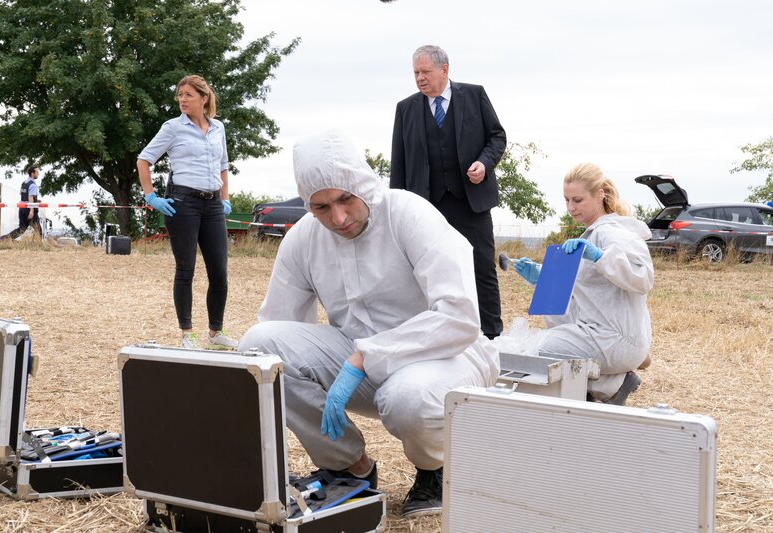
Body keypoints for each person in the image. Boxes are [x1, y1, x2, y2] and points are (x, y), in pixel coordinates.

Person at [239, 129, 499, 517]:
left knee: (407, 398)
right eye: (321, 207)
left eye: (345, 199)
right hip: (358, 359)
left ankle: (434, 468)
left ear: (363, 184)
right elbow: (279, 327)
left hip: (447, 355)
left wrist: (366, 357)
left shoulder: (407, 213)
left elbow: (458, 317)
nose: (338, 218)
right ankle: (348, 467)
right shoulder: (304, 238)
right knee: (261, 347)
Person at [390, 44, 507, 340]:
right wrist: (396, 208)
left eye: (425, 71)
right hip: (425, 208)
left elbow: (497, 137)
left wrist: (484, 162)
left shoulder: (474, 94)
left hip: (471, 203)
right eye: (415, 72)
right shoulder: (405, 109)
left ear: (444, 70)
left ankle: (492, 337)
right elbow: (399, 162)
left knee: (482, 269)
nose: (419, 78)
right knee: (426, 275)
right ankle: (435, 336)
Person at [513, 163, 654, 405]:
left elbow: (643, 278)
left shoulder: (612, 232)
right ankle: (611, 381)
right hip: (605, 334)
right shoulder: (592, 234)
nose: (570, 207)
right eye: (566, 200)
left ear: (600, 194)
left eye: (577, 200)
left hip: (614, 337)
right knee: (539, 344)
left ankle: (609, 385)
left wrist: (601, 256)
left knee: (530, 352)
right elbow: (582, 292)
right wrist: (541, 277)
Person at [137, 74, 237, 351]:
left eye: (188, 95)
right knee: (186, 269)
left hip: (213, 205)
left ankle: (215, 333)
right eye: (180, 94)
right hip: (183, 204)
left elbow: (223, 166)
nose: (182, 99)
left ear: (203, 98)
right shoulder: (172, 128)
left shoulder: (219, 128)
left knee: (219, 271)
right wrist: (151, 197)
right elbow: (144, 160)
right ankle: (187, 334)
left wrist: (225, 199)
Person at [18, 165, 42, 238]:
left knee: (21, 229)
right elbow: (30, 197)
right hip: (29, 208)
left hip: (22, 207)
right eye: (37, 172)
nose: (38, 173)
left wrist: (36, 200)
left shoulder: (24, 183)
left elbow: (23, 195)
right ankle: (41, 245)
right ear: (32, 173)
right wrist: (31, 211)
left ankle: (3, 239)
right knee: (38, 229)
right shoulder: (33, 184)